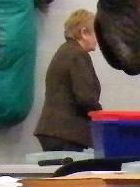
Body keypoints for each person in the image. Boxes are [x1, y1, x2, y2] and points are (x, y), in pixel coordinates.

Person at [33, 8, 101, 151]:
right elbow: (86, 97)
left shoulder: (64, 51)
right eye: (96, 32)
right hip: (67, 133)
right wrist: (102, 117)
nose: (98, 39)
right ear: (84, 33)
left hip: (53, 130)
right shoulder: (78, 55)